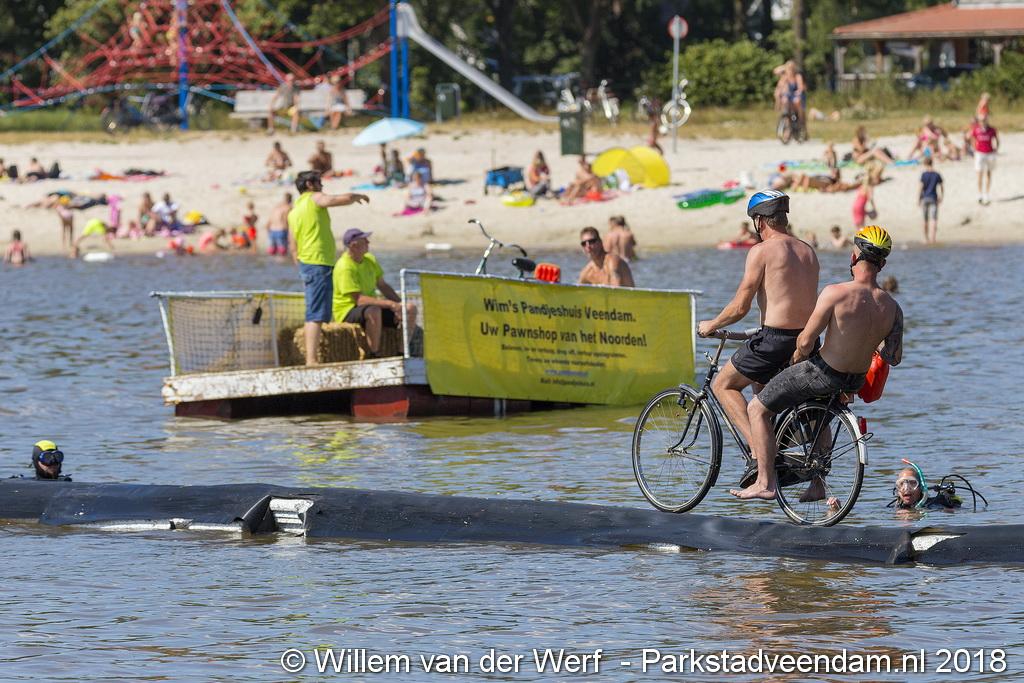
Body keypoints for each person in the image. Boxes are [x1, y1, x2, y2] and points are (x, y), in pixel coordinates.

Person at [735, 226, 903, 502]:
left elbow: (805, 341)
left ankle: (765, 482)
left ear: (854, 256)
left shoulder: (836, 293)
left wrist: (796, 360)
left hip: (824, 373)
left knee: (757, 408)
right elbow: (893, 357)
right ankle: (818, 484)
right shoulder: (892, 307)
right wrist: (867, 339)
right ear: (882, 264)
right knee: (819, 414)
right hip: (854, 380)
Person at [696, 190, 819, 449]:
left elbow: (740, 307)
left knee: (723, 385)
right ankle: (784, 452)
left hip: (775, 340)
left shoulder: (761, 251)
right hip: (807, 339)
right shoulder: (807, 251)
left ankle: (758, 450)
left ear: (759, 221)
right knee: (762, 388)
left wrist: (711, 325)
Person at [287, 170, 369, 365]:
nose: (322, 185)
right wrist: (356, 196)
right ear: (309, 184)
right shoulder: (313, 198)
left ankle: (313, 358)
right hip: (318, 262)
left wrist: (302, 265)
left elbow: (292, 246)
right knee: (315, 313)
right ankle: (311, 360)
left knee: (320, 311)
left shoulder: (294, 210)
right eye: (318, 181)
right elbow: (333, 199)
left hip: (309, 263)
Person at [332, 228, 417, 357]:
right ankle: (373, 354)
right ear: (354, 245)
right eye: (364, 240)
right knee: (374, 311)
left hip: (370, 306)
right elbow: (359, 300)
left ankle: (402, 352)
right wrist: (389, 304)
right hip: (347, 311)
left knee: (410, 308)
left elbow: (383, 285)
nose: (368, 242)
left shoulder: (370, 259)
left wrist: (399, 305)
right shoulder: (344, 266)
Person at [969, 115, 998, 205]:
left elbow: (996, 139)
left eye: (984, 120)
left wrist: (996, 148)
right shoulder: (976, 130)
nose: (983, 122)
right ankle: (980, 194)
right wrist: (974, 149)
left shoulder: (992, 130)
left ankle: (987, 194)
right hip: (979, 153)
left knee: (988, 174)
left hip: (989, 153)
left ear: (987, 120)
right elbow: (972, 139)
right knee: (979, 174)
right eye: (981, 120)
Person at [774, 61, 806, 130]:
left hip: (797, 95)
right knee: (784, 100)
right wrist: (779, 92)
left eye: (791, 68)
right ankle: (786, 118)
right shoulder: (786, 76)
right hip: (789, 95)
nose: (790, 70)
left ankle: (800, 121)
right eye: (788, 69)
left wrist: (798, 92)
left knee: (797, 101)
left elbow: (800, 88)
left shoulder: (797, 76)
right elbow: (776, 72)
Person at [919, 156, 943, 244]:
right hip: (933, 198)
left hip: (925, 198)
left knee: (925, 219)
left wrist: (918, 199)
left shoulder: (924, 174)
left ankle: (926, 238)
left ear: (925, 164)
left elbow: (921, 188)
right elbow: (941, 186)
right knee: (934, 219)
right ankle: (933, 238)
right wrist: (941, 196)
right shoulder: (936, 174)